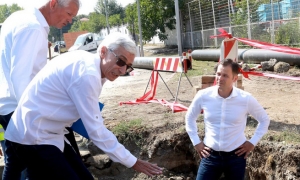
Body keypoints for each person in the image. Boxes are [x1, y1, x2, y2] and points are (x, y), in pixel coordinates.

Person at [4, 32, 163, 179]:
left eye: (128, 66)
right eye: (120, 61)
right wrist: (133, 162)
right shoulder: (87, 74)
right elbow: (96, 131)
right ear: (103, 52)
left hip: (42, 131)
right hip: (34, 135)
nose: (122, 70)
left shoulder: (88, 63)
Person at [0, 0, 80, 179]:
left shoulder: (19, 18)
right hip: (20, 109)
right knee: (42, 166)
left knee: (17, 163)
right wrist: (38, 116)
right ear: (53, 4)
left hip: (9, 105)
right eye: (69, 14)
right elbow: (22, 78)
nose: (70, 21)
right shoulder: (32, 28)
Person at [185, 58, 270, 180]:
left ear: (235, 78)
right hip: (210, 155)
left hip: (236, 157)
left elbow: (264, 119)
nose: (220, 78)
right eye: (218, 74)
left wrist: (252, 143)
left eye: (225, 75)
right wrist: (196, 142)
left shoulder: (245, 99)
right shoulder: (203, 96)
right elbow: (189, 117)